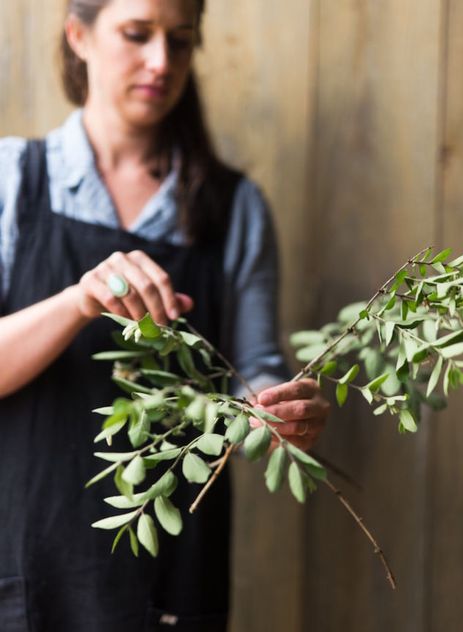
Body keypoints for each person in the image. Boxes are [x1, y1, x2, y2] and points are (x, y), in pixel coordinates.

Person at [0, 0, 329, 630]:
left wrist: (279, 409)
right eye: (136, 34)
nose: (161, 62)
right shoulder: (17, 180)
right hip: (26, 561)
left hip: (173, 570)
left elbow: (253, 369)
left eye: (180, 41)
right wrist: (80, 301)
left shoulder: (234, 207)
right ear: (79, 35)